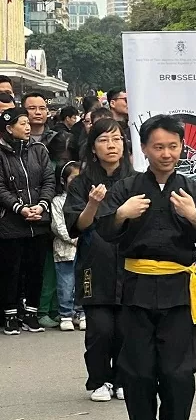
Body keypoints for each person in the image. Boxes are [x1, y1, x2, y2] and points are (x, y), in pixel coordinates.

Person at [95, 114, 196, 420]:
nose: (166, 153)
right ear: (145, 150)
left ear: (182, 148)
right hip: (136, 284)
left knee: (178, 367)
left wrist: (193, 215)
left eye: (173, 146)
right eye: (158, 147)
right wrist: (121, 213)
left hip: (177, 286)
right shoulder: (127, 188)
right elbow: (105, 229)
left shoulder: (192, 189)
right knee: (137, 366)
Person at [64, 117, 135, 402]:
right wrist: (93, 203)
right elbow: (77, 226)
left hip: (130, 262)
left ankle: (121, 378)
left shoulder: (136, 179)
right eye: (104, 140)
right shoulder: (82, 183)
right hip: (96, 261)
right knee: (100, 329)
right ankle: (99, 380)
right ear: (93, 147)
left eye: (116, 139)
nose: (111, 145)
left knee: (126, 328)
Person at [0, 107, 55, 335]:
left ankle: (32, 314)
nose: (27, 126)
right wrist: (20, 208)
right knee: (11, 271)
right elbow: (1, 187)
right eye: (22, 123)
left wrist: (41, 206)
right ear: (9, 128)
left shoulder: (39, 149)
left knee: (36, 269)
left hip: (39, 221)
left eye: (27, 123)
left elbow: (48, 180)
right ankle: (11, 315)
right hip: (11, 223)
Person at [50, 161, 85, 332]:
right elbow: (58, 226)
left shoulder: (85, 198)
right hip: (65, 251)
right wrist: (75, 238)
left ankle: (81, 312)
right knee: (66, 284)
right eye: (73, 178)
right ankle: (65, 314)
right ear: (63, 181)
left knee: (83, 283)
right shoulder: (57, 201)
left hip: (85, 250)